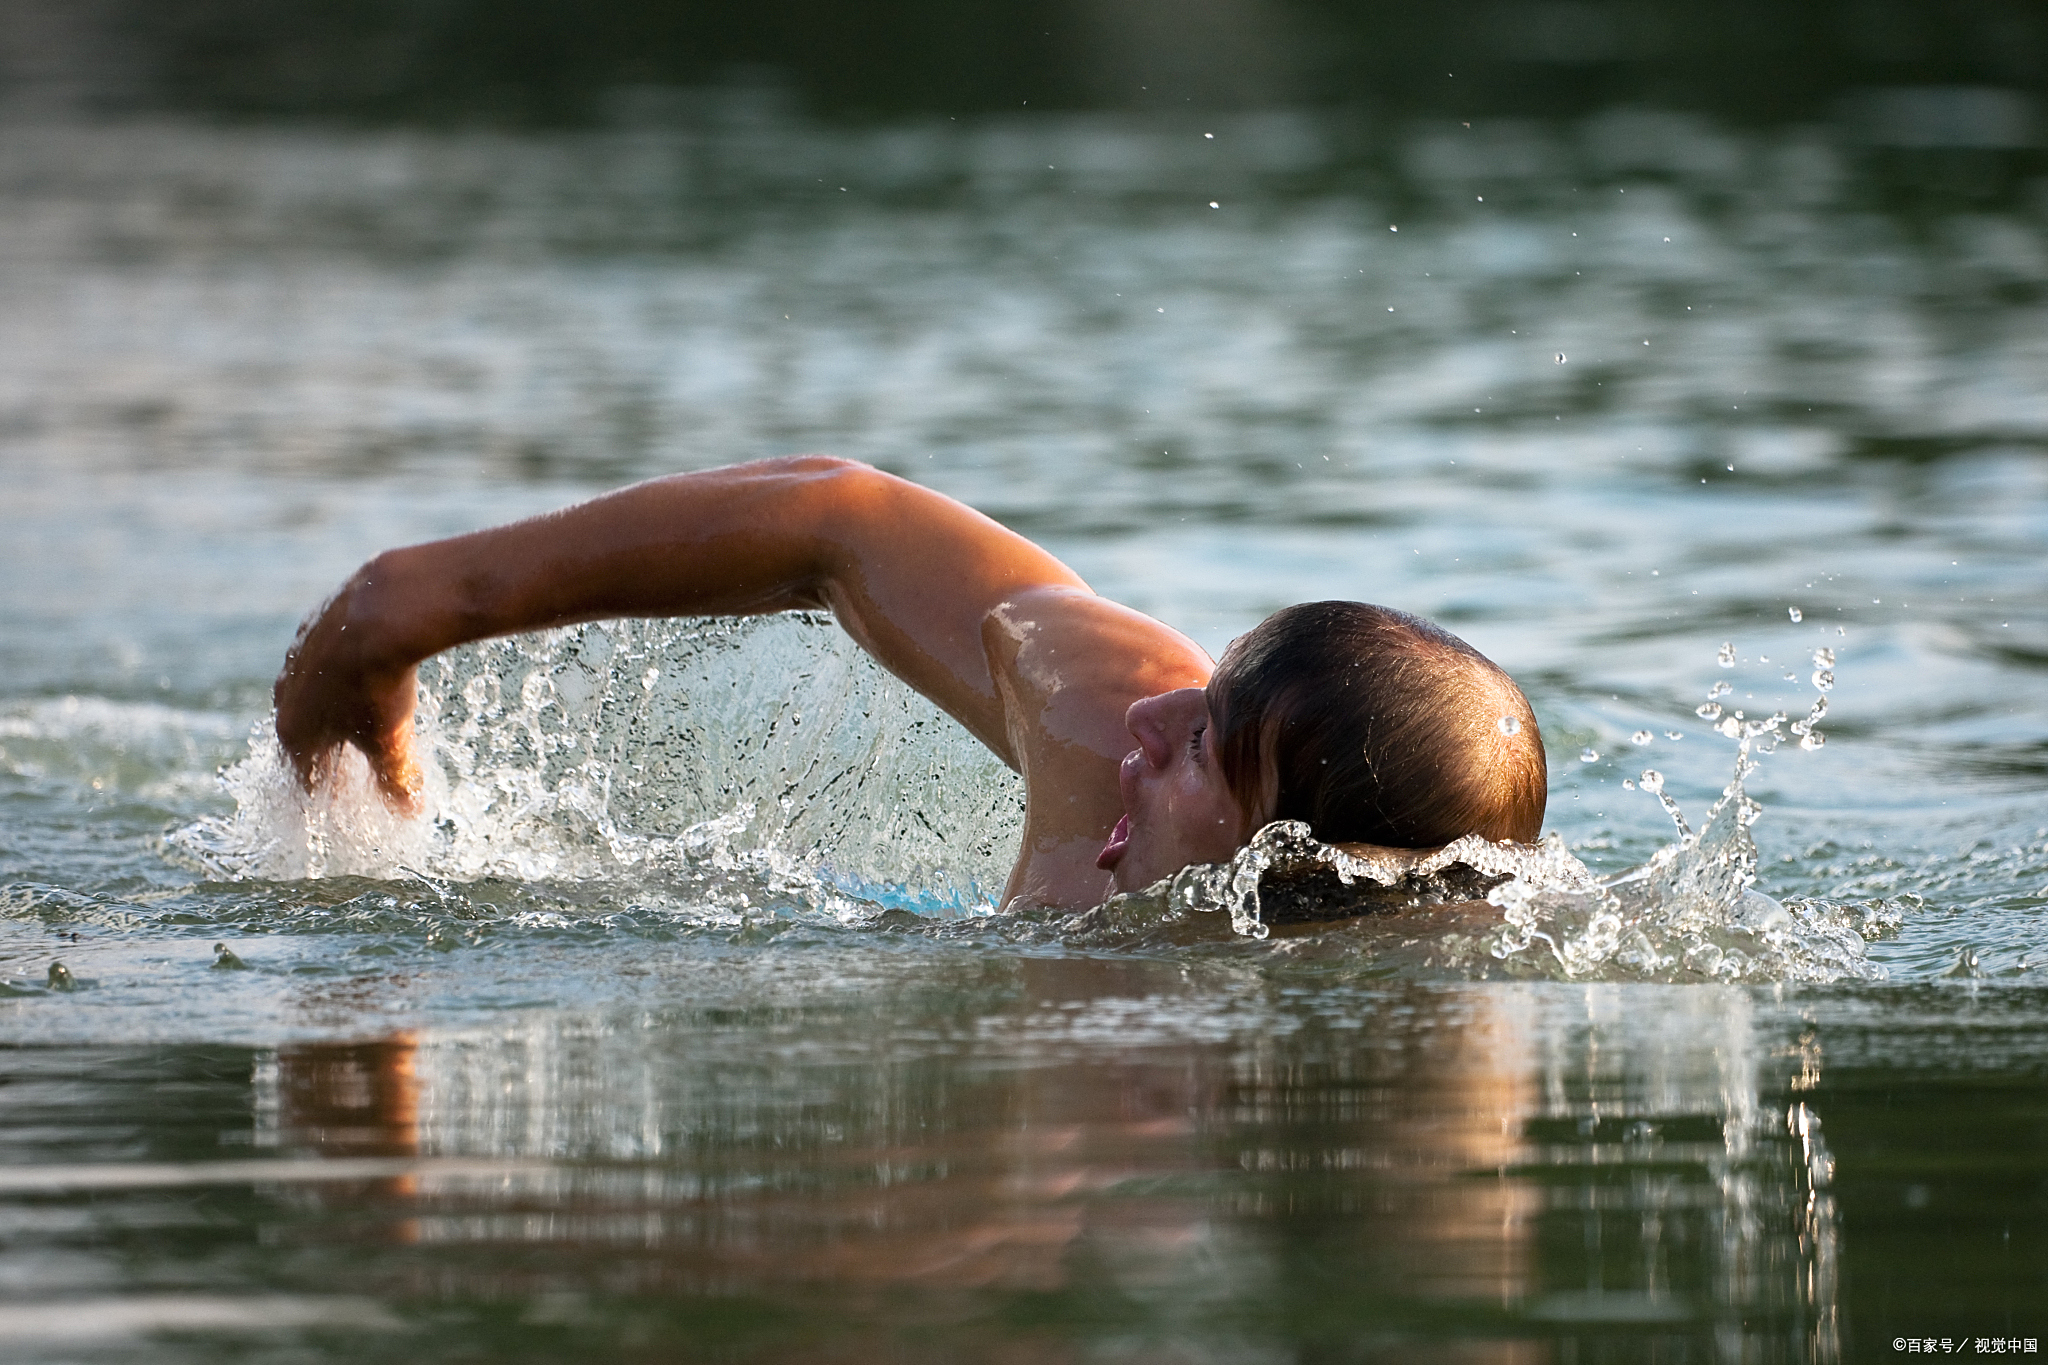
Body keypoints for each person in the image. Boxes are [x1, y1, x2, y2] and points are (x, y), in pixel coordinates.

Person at [273, 457, 1547, 911]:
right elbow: (843, 520)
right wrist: (428, 602)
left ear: (1298, 869)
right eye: (1196, 692)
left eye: (1206, 749)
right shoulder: (1100, 716)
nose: (1148, 725)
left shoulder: (1169, 1134)